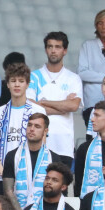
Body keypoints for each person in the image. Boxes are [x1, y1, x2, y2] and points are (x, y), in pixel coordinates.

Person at [27, 31, 83, 167]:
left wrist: (44, 102)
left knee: (61, 187)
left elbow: (73, 106)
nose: (53, 51)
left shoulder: (73, 78)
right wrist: (62, 107)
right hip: (38, 144)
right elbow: (31, 107)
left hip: (64, 145)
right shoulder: (34, 76)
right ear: (46, 49)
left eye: (57, 47)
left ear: (65, 51)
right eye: (50, 46)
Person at [0, 63, 46, 194]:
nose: (17, 85)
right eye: (13, 81)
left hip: (30, 178)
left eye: (21, 81)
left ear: (27, 84)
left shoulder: (38, 110)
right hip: (2, 178)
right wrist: (5, 174)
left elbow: (42, 147)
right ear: (7, 84)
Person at [2, 113, 60, 210]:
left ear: (45, 131)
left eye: (37, 126)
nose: (32, 129)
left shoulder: (54, 158)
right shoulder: (12, 155)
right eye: (29, 125)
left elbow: (57, 192)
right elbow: (8, 191)